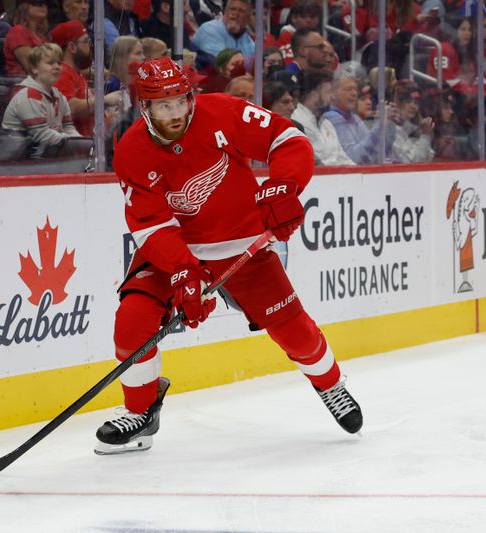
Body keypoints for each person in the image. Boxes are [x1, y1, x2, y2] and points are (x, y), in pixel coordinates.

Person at [96, 57, 363, 455]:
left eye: (181, 101)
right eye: (164, 106)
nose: (176, 113)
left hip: (243, 243)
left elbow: (288, 141)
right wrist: (185, 271)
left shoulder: (223, 110)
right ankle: (141, 412)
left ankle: (331, 384)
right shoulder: (131, 151)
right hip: (177, 250)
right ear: (145, 107)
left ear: (191, 97)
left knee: (297, 333)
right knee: (133, 319)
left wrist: (283, 187)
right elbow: (151, 224)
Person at [2, 43, 80, 159]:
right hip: (15, 162)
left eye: (59, 63)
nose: (57, 67)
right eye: (50, 63)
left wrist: (83, 142)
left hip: (41, 157)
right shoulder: (28, 95)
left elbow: (68, 128)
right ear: (34, 68)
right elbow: (43, 136)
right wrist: (77, 143)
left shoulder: (59, 96)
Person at [324, 72, 398, 165]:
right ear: (333, 94)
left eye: (355, 89)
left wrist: (389, 123)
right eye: (348, 89)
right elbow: (353, 159)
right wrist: (380, 125)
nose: (354, 93)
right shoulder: (331, 117)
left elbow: (378, 152)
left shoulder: (354, 118)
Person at [291, 68, 354, 166]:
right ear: (314, 95)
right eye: (328, 92)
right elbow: (315, 164)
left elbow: (343, 159)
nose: (332, 97)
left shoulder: (326, 124)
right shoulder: (297, 122)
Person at [4, 0, 49, 77]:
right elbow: (32, 66)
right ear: (24, 7)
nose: (43, 6)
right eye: (37, 3)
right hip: (22, 82)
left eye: (45, 3)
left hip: (44, 80)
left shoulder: (42, 36)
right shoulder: (17, 31)